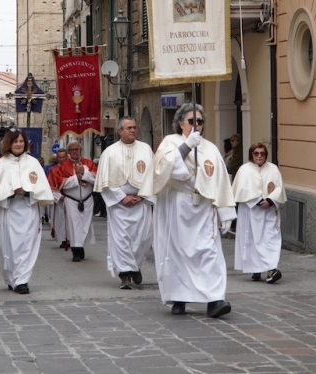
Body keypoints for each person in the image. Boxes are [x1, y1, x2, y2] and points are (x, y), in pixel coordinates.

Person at [139, 103, 236, 318]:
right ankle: (179, 297)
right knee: (178, 253)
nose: (196, 126)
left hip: (203, 208)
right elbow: (162, 169)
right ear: (180, 123)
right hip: (178, 204)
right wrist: (184, 148)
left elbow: (220, 181)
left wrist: (226, 211)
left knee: (209, 252)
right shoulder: (170, 142)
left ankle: (215, 300)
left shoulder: (210, 148)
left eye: (200, 122)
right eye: (191, 121)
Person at [0, 128, 51, 294]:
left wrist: (26, 192)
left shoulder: (33, 163)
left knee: (27, 245)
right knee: (8, 247)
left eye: (21, 141)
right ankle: (11, 278)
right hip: (8, 211)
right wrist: (11, 192)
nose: (18, 144)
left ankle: (22, 280)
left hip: (28, 210)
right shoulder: (1, 164)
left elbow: (41, 187)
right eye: (15, 141)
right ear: (9, 143)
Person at [93, 117, 154, 289]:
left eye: (134, 127)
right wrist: (121, 197)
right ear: (120, 131)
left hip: (141, 202)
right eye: (129, 128)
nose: (133, 130)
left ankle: (136, 266)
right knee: (122, 240)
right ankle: (125, 274)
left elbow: (153, 177)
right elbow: (105, 181)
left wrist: (142, 195)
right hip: (120, 205)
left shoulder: (145, 149)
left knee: (143, 238)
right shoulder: (110, 153)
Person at [232, 142, 287, 284]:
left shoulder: (273, 169)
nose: (259, 156)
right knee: (252, 240)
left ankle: (271, 269)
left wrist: (270, 200)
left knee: (271, 239)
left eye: (262, 153)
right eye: (256, 153)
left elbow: (279, 188)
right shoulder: (244, 170)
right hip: (251, 211)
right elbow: (241, 190)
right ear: (251, 154)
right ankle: (256, 269)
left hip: (269, 211)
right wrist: (255, 201)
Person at [48, 141, 97, 262]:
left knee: (86, 224)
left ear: (80, 150)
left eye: (77, 149)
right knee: (74, 225)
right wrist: (76, 178)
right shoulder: (64, 166)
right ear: (69, 152)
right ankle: (76, 250)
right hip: (71, 200)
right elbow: (61, 183)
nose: (75, 151)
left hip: (87, 199)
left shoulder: (88, 163)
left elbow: (97, 178)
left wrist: (85, 173)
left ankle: (81, 246)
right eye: (72, 150)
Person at [49, 148, 69, 248]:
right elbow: (51, 186)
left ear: (67, 157)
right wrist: (59, 196)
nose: (61, 159)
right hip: (60, 200)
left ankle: (71, 239)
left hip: (71, 199)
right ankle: (63, 239)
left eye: (63, 157)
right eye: (59, 157)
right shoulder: (53, 170)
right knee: (60, 221)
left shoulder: (72, 168)